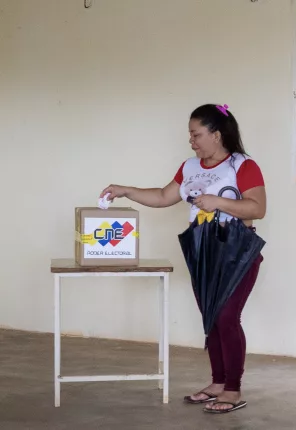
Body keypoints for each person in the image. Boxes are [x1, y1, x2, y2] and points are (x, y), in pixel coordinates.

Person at [100, 104, 266, 414]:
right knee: (211, 317)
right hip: (202, 250)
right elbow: (164, 196)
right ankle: (217, 383)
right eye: (190, 135)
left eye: (196, 134)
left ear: (216, 135)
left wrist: (218, 202)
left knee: (227, 317)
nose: (191, 141)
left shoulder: (243, 165)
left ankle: (232, 389)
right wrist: (126, 190)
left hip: (236, 252)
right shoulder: (189, 167)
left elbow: (257, 208)